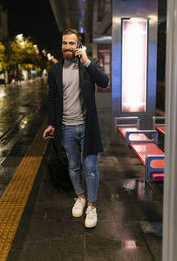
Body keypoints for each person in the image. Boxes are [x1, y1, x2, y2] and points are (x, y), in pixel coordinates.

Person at [43, 28, 109, 228]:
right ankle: (80, 196)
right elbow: (53, 99)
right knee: (73, 166)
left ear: (78, 45)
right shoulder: (55, 70)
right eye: (64, 43)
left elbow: (104, 82)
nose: (67, 47)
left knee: (90, 168)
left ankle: (91, 206)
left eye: (72, 43)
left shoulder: (88, 66)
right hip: (67, 128)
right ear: (61, 45)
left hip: (88, 128)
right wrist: (52, 124)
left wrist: (87, 61)